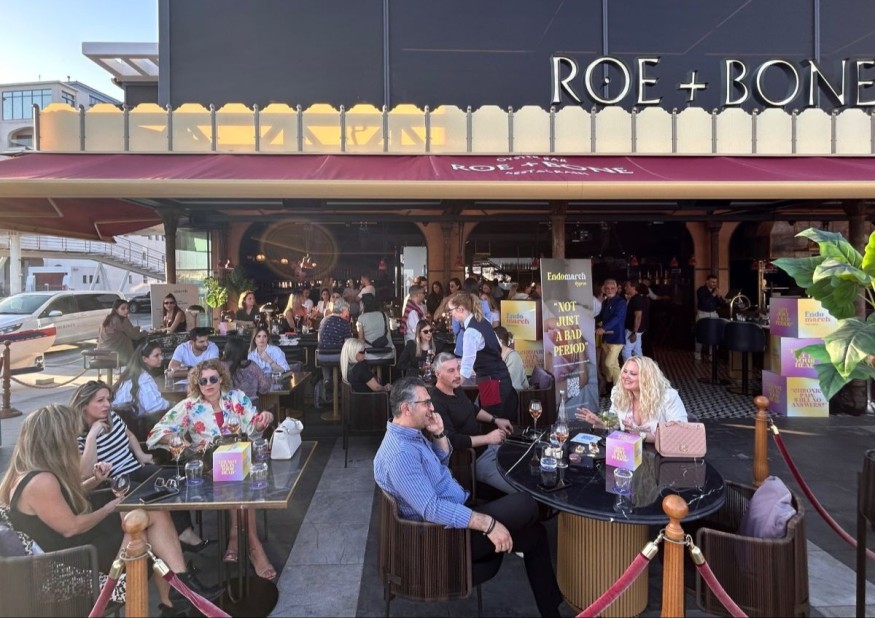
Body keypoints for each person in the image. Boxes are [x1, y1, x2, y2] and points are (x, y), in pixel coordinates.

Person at [0, 405, 220, 614]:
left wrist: (95, 481)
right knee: (145, 521)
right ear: (57, 440)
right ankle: (178, 591)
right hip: (75, 562)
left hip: (75, 549)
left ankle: (176, 595)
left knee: (147, 515)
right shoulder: (41, 481)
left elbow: (61, 501)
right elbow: (71, 528)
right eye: (71, 436)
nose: (74, 441)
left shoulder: (30, 472)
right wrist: (109, 508)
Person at [374, 377, 564, 618]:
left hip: (455, 515)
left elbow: (439, 464)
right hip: (443, 539)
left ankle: (552, 611)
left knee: (535, 534)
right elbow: (431, 509)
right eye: (426, 403)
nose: (432, 408)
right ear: (406, 408)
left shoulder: (409, 434)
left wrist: (439, 434)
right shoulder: (401, 453)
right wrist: (488, 524)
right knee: (527, 503)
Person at [146, 359, 277, 580]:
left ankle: (236, 536)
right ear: (197, 384)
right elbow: (156, 434)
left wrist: (265, 419)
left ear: (220, 379)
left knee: (238, 476)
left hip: (238, 459)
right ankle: (253, 546)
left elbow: (253, 427)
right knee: (235, 479)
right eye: (203, 381)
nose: (208, 384)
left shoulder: (236, 397)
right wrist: (179, 441)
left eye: (213, 379)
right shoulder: (189, 406)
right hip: (208, 466)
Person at [70, 381, 208, 553]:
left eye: (108, 399)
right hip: (115, 482)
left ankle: (183, 533)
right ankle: (175, 539)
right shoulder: (77, 435)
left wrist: (140, 454)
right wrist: (92, 435)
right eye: (100, 400)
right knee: (155, 492)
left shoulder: (112, 417)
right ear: (84, 405)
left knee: (173, 479)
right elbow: (84, 471)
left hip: (135, 468)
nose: (107, 404)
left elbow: (129, 435)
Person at [431, 353, 516, 494]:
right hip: (472, 460)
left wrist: (495, 420)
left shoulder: (455, 388)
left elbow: (472, 408)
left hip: (488, 448)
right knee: (519, 487)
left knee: (523, 465)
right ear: (438, 374)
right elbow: (453, 441)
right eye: (451, 371)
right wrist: (488, 438)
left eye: (458, 369)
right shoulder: (436, 402)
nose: (457, 375)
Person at [576, 355, 687, 442]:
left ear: (646, 378)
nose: (626, 376)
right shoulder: (619, 393)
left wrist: (642, 436)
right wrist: (600, 421)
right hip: (630, 452)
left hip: (661, 455)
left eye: (632, 373)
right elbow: (615, 420)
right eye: (625, 371)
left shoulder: (668, 397)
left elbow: (680, 433)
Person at [447, 292, 519, 422]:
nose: (451, 314)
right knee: (499, 420)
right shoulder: (484, 321)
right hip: (503, 378)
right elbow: (498, 347)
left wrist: (450, 387)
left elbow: (466, 369)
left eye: (451, 310)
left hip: (491, 383)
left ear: (460, 309)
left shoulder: (470, 332)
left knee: (493, 423)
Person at [112, 340, 171, 416]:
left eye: (161, 354)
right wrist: (173, 404)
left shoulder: (129, 374)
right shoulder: (144, 378)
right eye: (156, 355)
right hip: (133, 420)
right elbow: (155, 407)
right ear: (144, 359)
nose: (161, 358)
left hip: (121, 417)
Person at [595, 279, 627, 391]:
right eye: (607, 288)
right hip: (606, 338)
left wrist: (604, 328)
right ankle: (618, 388)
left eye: (612, 288)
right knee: (614, 364)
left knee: (608, 364)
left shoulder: (621, 303)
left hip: (617, 338)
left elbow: (617, 318)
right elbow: (600, 316)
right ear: (604, 289)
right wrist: (590, 321)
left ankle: (609, 381)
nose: (609, 290)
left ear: (616, 289)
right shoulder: (605, 302)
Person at [97, 298, 148, 365]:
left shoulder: (106, 319)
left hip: (101, 354)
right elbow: (135, 335)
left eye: (127, 308)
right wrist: (145, 333)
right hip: (115, 355)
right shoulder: (120, 319)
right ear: (116, 310)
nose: (126, 311)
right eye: (123, 309)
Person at [222, 336, 271, 405]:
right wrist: (269, 378)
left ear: (227, 351)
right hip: (251, 406)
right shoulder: (252, 366)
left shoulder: (221, 367)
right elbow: (265, 388)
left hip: (228, 407)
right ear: (245, 351)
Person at [695, 274, 726, 361]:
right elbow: (704, 302)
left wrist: (720, 297)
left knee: (714, 334)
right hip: (703, 313)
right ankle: (697, 353)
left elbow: (722, 305)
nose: (714, 284)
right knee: (700, 333)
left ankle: (712, 355)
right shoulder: (701, 290)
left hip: (713, 313)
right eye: (712, 282)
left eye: (715, 282)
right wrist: (713, 294)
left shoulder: (716, 291)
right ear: (707, 282)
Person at [494, 326, 530, 390]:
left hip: (515, 394)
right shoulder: (496, 356)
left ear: (500, 342)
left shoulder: (513, 358)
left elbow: (511, 387)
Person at [622, 280, 649, 361]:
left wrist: (634, 332)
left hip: (633, 330)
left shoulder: (636, 300)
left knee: (626, 351)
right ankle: (641, 367)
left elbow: (638, 317)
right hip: (638, 330)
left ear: (633, 287)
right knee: (637, 351)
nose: (625, 288)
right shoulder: (635, 298)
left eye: (627, 286)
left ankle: (629, 367)